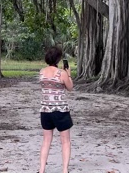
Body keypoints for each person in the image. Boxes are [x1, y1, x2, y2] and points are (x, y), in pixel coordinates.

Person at [39, 45, 73, 173]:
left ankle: (41, 170)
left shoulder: (41, 72)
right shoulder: (61, 73)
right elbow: (70, 87)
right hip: (60, 111)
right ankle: (64, 170)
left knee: (46, 140)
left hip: (45, 110)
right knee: (65, 141)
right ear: (58, 59)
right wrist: (68, 75)